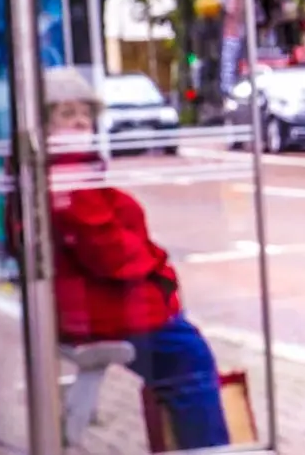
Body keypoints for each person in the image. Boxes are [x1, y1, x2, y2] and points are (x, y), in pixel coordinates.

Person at [44, 68, 231, 451]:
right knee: (188, 359)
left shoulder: (67, 169)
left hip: (84, 305)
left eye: (84, 112)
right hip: (103, 311)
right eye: (66, 113)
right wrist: (157, 268)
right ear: (44, 123)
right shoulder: (69, 176)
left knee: (180, 352)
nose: (80, 121)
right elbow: (108, 253)